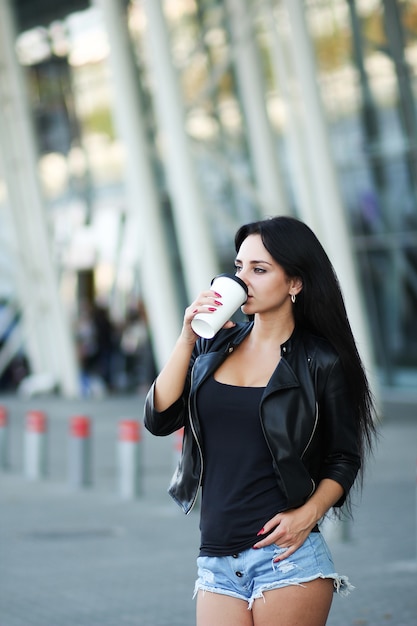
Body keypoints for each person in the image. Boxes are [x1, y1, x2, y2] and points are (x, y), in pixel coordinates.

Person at [144, 216, 377, 626]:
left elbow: (344, 456)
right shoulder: (215, 345)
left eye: (259, 269)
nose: (243, 279)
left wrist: (308, 515)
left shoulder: (320, 361)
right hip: (215, 558)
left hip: (287, 560)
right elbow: (159, 418)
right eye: (238, 267)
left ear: (295, 283)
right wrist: (187, 337)